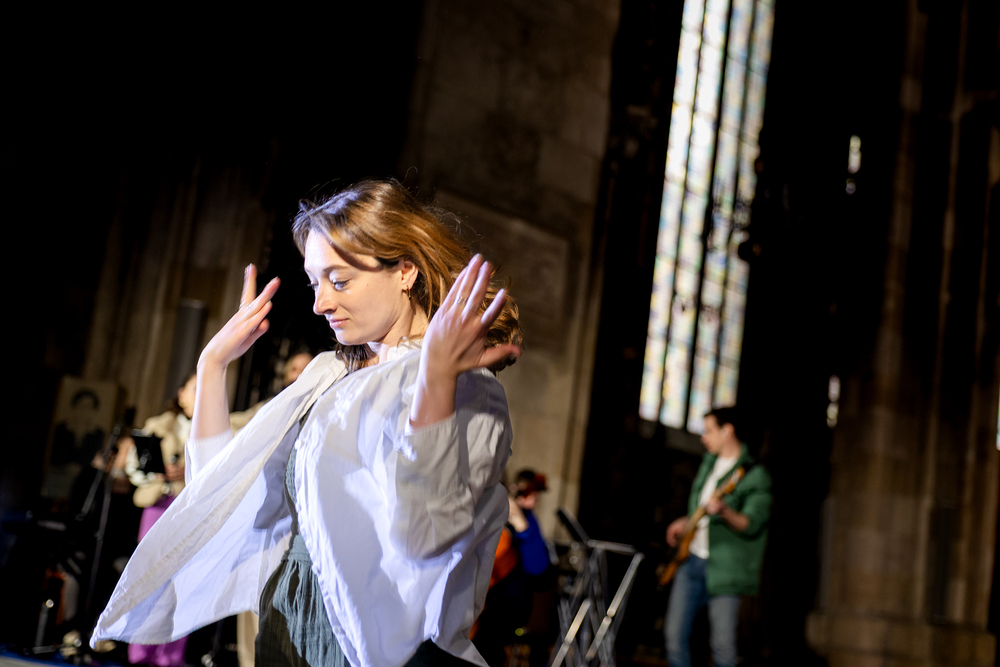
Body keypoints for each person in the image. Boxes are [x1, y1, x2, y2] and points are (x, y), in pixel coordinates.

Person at [92, 179, 523, 667]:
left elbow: (424, 538)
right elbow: (219, 497)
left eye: (339, 281)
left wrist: (436, 380)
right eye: (315, 283)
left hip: (372, 640)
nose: (321, 304)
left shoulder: (468, 385)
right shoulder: (327, 373)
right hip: (287, 613)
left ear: (405, 270)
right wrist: (212, 367)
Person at [663, 406, 771, 667]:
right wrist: (686, 522)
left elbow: (751, 524)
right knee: (674, 639)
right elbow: (701, 510)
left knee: (722, 648)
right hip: (690, 560)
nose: (703, 437)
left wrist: (724, 511)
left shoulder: (754, 474)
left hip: (724, 568)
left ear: (727, 430)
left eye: (709, 431)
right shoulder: (708, 464)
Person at [121, 373, 197, 666]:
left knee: (183, 584)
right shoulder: (158, 425)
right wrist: (158, 472)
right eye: (195, 387)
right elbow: (134, 468)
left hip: (189, 511)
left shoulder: (215, 427)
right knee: (149, 579)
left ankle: (170, 656)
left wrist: (188, 471)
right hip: (157, 507)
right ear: (181, 393)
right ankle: (140, 652)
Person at [472, 470, 553, 666]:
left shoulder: (528, 521)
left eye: (535, 495)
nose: (532, 500)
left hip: (503, 606)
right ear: (513, 489)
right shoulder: (488, 510)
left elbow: (539, 572)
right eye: (528, 494)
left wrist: (522, 527)